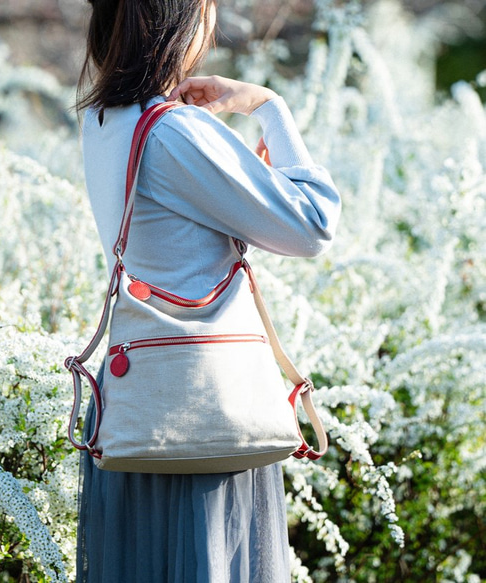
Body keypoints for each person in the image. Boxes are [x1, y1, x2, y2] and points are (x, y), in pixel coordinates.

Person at [75, 1, 341, 581]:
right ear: (178, 23)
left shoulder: (103, 122)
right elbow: (312, 224)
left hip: (141, 407)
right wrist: (271, 108)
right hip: (202, 413)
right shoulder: (175, 132)